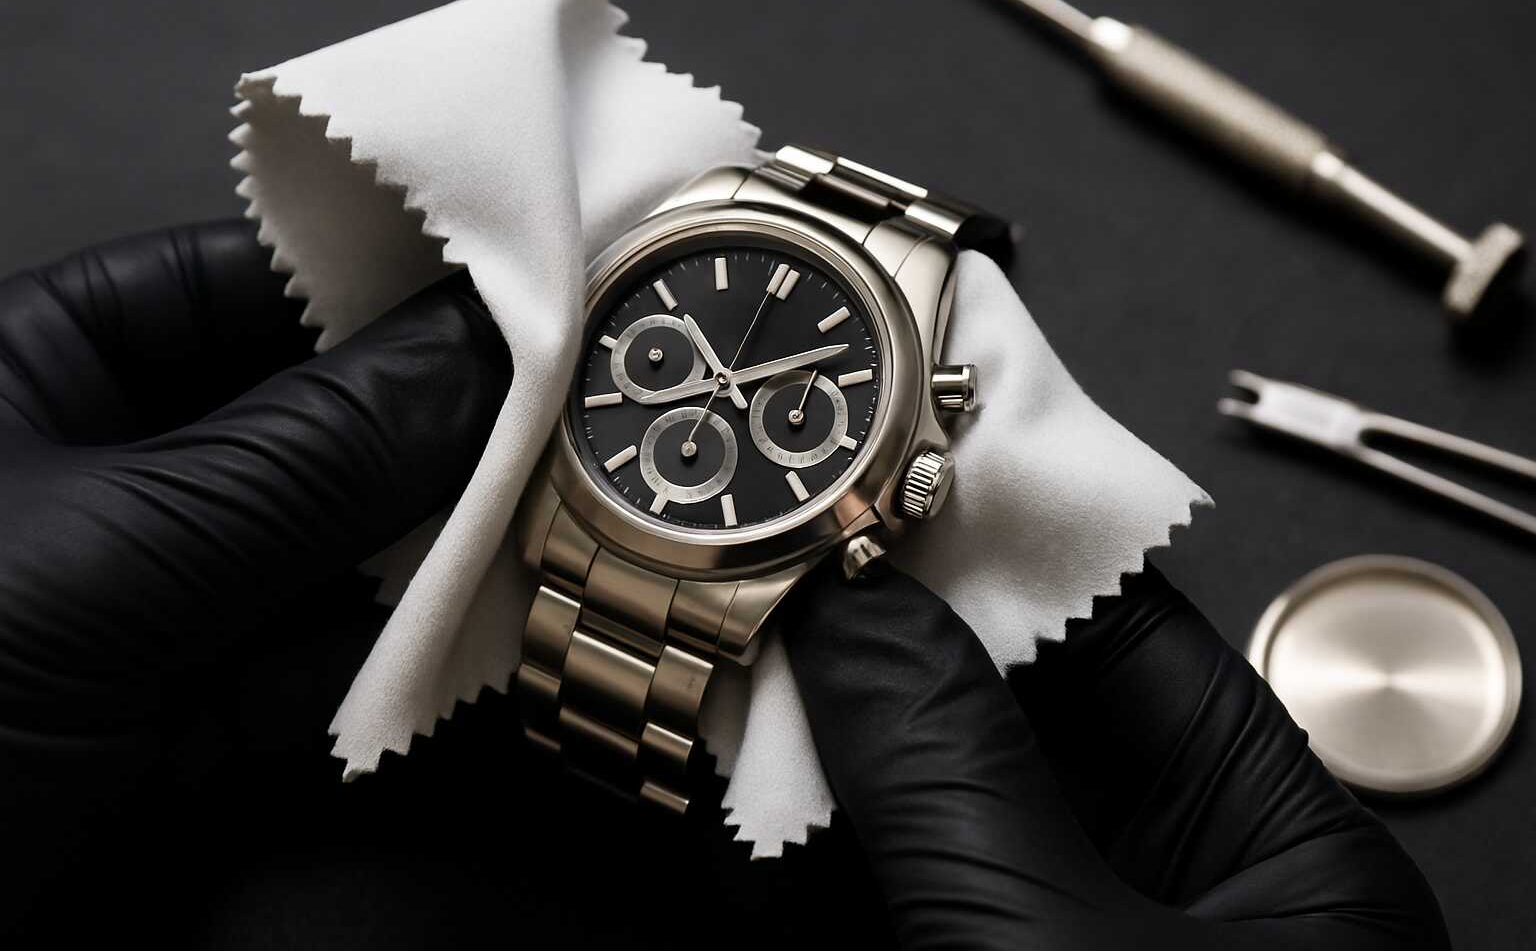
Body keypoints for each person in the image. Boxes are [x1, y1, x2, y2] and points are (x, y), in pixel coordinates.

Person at [0, 221, 1449, 948]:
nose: (739, 400)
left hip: (733, 549)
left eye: (794, 408)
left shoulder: (909, 442)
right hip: (600, 503)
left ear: (924, 442)